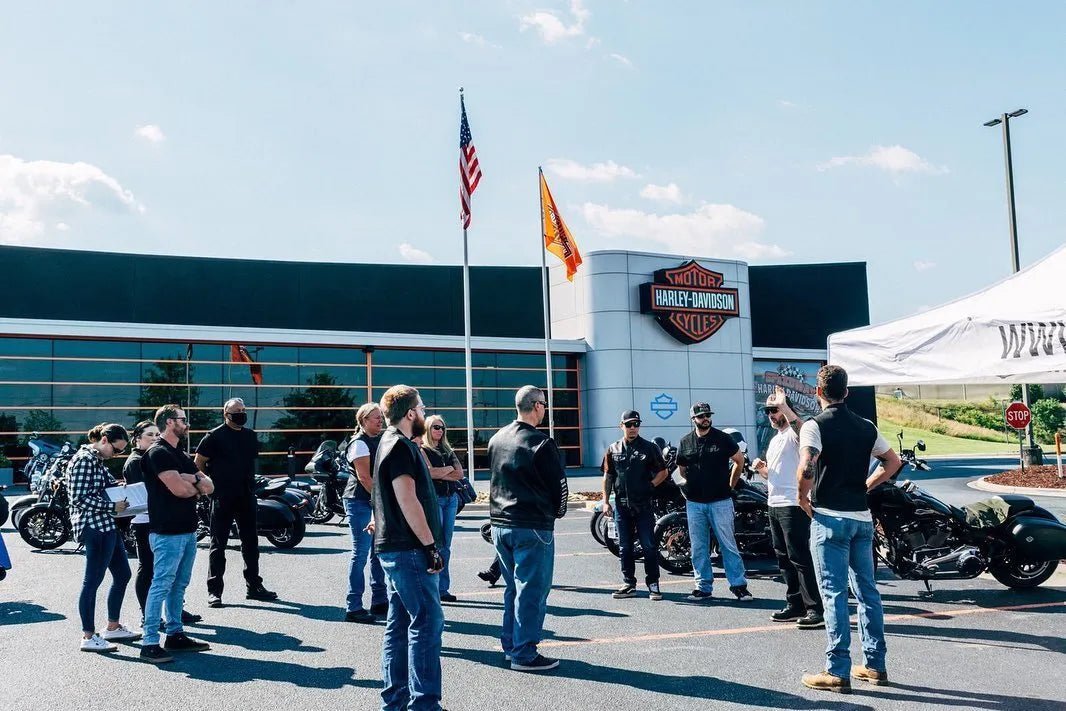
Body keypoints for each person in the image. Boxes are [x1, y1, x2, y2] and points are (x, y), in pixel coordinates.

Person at [797, 365, 902, 693]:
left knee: (833, 593)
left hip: (828, 517)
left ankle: (837, 670)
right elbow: (893, 462)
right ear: (847, 392)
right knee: (868, 592)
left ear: (818, 393)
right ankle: (875, 665)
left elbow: (806, 467)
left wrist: (802, 498)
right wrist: (868, 485)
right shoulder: (866, 426)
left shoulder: (814, 426)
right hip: (861, 518)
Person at [373, 385, 446, 711]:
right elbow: (407, 499)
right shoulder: (400, 446)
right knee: (427, 624)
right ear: (411, 413)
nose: (426, 413)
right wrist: (430, 546)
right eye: (422, 407)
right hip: (410, 551)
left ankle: (395, 702)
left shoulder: (388, 443)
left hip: (396, 548)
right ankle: (425, 704)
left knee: (399, 625)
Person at [489, 385, 569, 672]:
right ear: (536, 406)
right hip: (532, 525)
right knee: (532, 590)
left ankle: (512, 646)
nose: (545, 409)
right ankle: (524, 652)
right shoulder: (541, 443)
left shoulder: (497, 438)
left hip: (501, 524)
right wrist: (556, 514)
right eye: (544, 404)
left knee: (513, 588)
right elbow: (560, 487)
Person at [140, 405, 215, 664]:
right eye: (184, 420)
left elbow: (209, 484)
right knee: (161, 584)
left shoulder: (179, 454)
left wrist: (189, 479)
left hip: (187, 530)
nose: (187, 424)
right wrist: (192, 482)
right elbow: (179, 490)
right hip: (167, 531)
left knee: (179, 585)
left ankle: (175, 634)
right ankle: (149, 642)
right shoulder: (157, 453)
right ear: (171, 422)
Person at [751, 388, 823, 629]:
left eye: (775, 410)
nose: (771, 414)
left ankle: (815, 608)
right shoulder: (774, 439)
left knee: (800, 557)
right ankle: (795, 604)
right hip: (774, 503)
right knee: (783, 558)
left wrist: (785, 407)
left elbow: (804, 431)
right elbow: (775, 474)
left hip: (793, 504)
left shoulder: (794, 433)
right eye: (769, 411)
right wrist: (761, 469)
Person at [195, 397, 277, 607]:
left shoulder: (250, 436)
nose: (241, 413)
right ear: (226, 414)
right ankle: (215, 591)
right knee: (218, 544)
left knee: (251, 543)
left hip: (246, 495)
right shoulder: (213, 437)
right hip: (222, 496)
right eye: (236, 411)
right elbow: (198, 464)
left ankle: (254, 586)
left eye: (243, 409)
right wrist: (207, 488)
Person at [123, 420, 201, 627]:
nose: (155, 438)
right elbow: (161, 490)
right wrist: (187, 485)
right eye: (149, 435)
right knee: (149, 569)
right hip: (145, 521)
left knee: (171, 573)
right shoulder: (135, 461)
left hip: (163, 518)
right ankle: (147, 616)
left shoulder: (163, 455)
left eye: (157, 434)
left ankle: (175, 611)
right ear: (137, 438)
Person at [68, 423, 139, 652]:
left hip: (106, 525)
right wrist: (112, 505)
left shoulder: (96, 460)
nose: (116, 455)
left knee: (122, 574)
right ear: (105, 440)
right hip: (93, 526)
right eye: (116, 450)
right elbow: (79, 498)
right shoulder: (84, 460)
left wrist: (124, 489)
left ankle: (113, 627)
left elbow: (107, 485)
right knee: (92, 582)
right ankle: (88, 636)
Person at [676, 402, 753, 602]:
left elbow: (739, 460)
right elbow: (682, 470)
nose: (705, 419)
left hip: (720, 501)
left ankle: (739, 586)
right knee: (699, 546)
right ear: (693, 419)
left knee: (728, 544)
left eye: (708, 415)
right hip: (694, 503)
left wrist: (731, 484)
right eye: (701, 416)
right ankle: (703, 587)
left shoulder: (723, 439)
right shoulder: (685, 442)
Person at [601, 409, 668, 600]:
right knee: (625, 547)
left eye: (636, 424)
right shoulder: (613, 449)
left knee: (648, 545)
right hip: (622, 506)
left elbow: (663, 472)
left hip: (644, 506)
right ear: (621, 426)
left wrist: (650, 485)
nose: (633, 428)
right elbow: (608, 476)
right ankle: (629, 583)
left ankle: (653, 584)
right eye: (629, 425)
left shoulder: (649, 448)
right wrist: (605, 501)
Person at [342, 402, 388, 623]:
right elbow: (365, 478)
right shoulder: (359, 443)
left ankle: (379, 600)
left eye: (381, 416)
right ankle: (354, 606)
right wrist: (381, 501)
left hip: (374, 499)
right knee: (360, 553)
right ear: (363, 421)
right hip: (359, 500)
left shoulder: (381, 439)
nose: (380, 420)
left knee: (378, 552)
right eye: (375, 417)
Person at [421, 414, 466, 603]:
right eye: (435, 427)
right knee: (436, 544)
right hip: (435, 500)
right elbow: (429, 473)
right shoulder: (422, 449)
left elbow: (460, 474)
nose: (439, 431)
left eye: (441, 428)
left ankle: (443, 589)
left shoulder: (447, 449)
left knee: (446, 546)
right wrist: (446, 470)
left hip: (451, 499)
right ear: (428, 429)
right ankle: (432, 587)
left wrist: (442, 472)